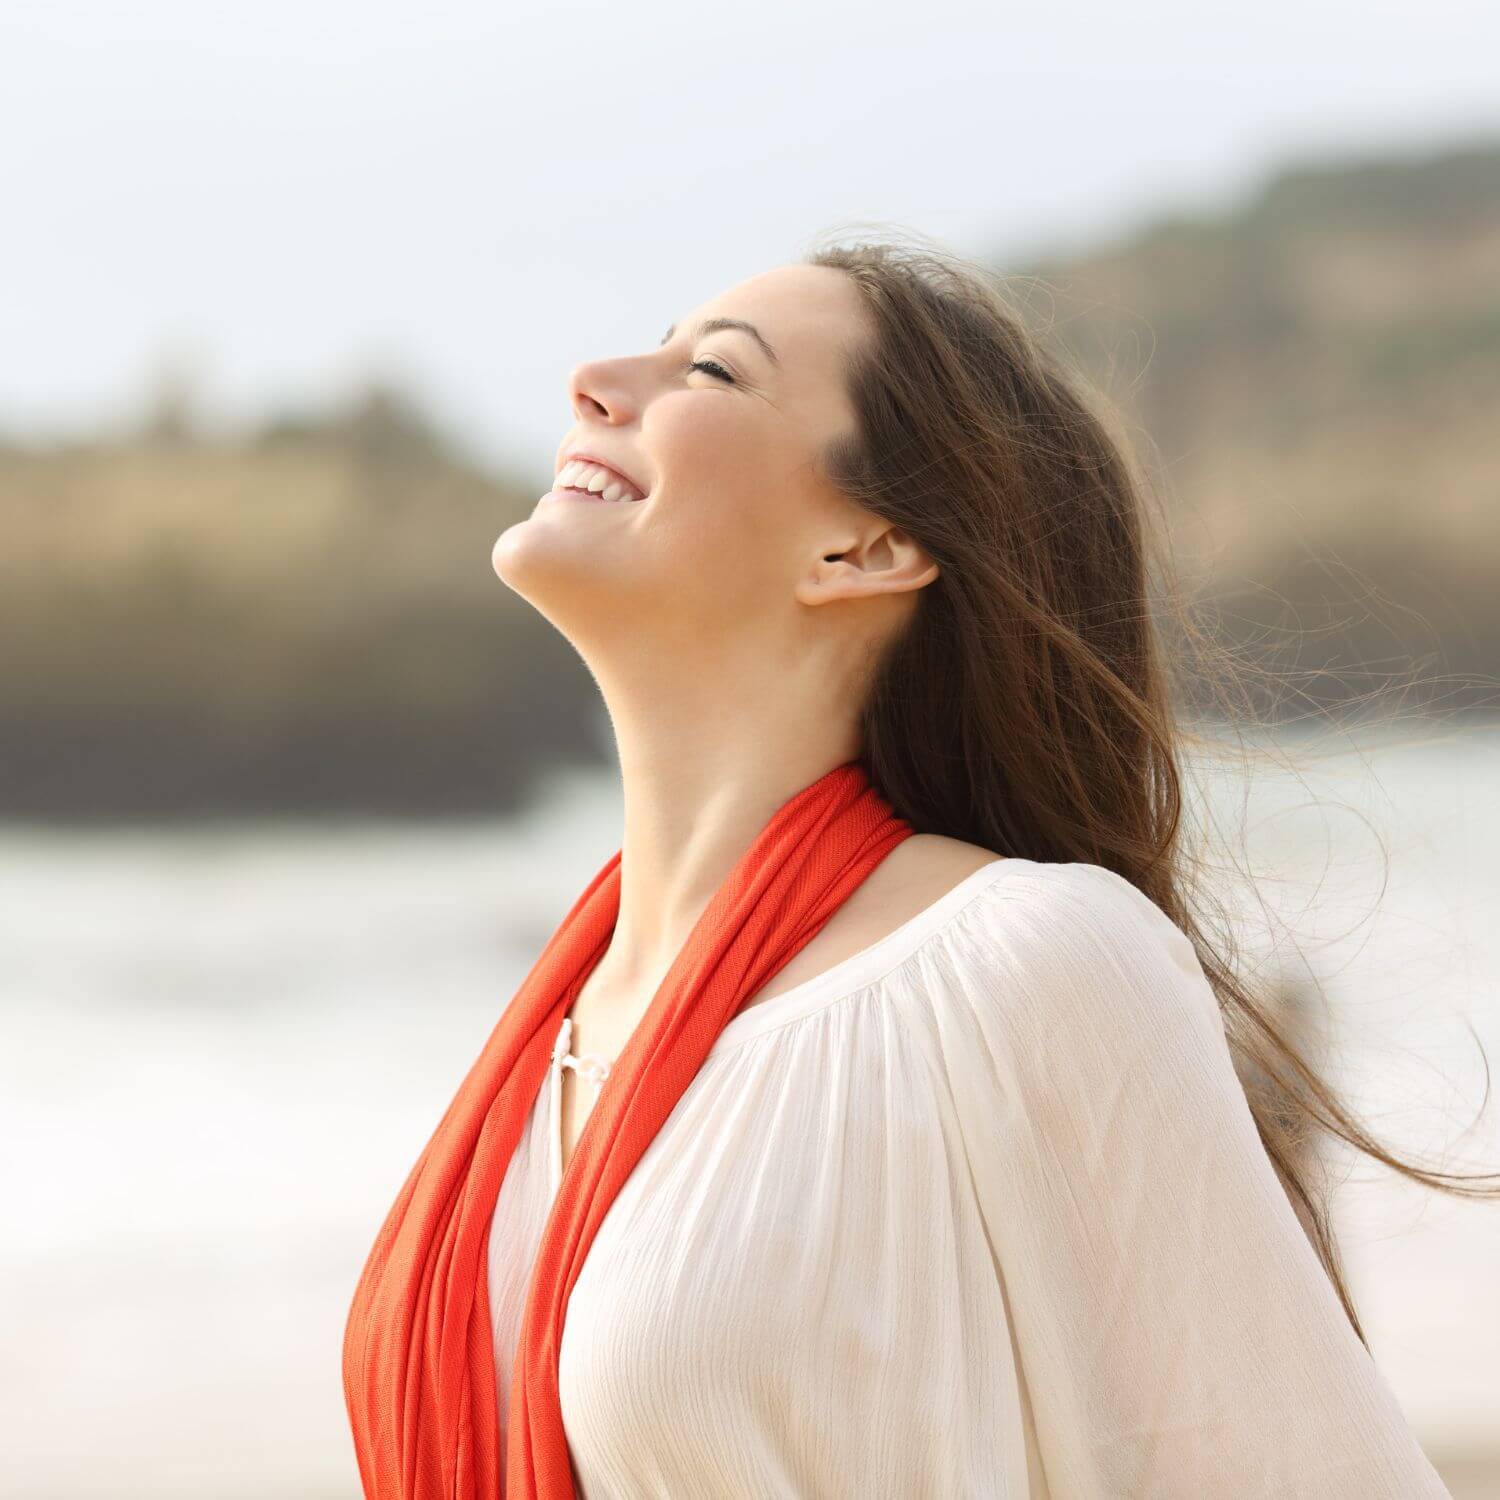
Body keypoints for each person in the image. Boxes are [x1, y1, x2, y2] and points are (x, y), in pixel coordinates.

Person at [373, 243, 1460, 1496]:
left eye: (712, 370)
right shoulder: (554, 1027)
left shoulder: (1023, 966)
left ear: (866, 547)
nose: (595, 379)